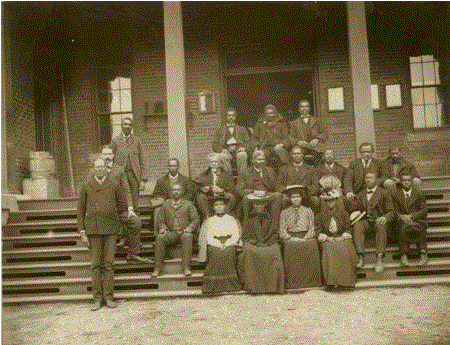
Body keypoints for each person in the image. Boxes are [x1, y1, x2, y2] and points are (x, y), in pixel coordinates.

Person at [77, 158, 128, 311]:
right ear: (93, 169)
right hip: (93, 230)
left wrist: (117, 224)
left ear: (107, 168)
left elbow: (123, 206)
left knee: (109, 264)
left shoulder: (114, 185)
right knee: (95, 265)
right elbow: (80, 211)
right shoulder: (86, 186)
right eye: (97, 167)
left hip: (110, 230)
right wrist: (82, 232)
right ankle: (97, 299)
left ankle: (109, 297)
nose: (99, 169)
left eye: (102, 167)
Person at [94, 145, 147, 263]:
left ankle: (133, 253)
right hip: (103, 211)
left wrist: (130, 208)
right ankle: (103, 257)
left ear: (113, 155)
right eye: (104, 154)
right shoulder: (95, 170)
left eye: (109, 154)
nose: (107, 157)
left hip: (119, 210)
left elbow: (127, 190)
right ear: (101, 155)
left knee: (136, 222)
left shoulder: (119, 169)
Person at [238, 190, 285, 294]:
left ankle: (273, 287)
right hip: (254, 243)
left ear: (265, 204)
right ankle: (253, 286)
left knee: (275, 250)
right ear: (253, 205)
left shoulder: (272, 217)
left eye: (261, 203)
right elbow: (245, 234)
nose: (259, 206)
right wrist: (256, 243)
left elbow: (275, 233)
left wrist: (268, 243)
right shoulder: (248, 218)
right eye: (256, 204)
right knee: (248, 250)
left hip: (268, 243)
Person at [350, 172, 395, 272]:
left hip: (378, 221)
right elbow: (356, 209)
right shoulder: (361, 194)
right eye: (367, 178)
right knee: (357, 226)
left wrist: (385, 217)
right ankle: (360, 257)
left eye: (371, 177)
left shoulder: (384, 192)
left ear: (376, 180)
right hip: (365, 221)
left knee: (381, 225)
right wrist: (355, 212)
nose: (368, 180)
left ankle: (379, 258)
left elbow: (391, 212)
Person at [279, 185, 322, 289]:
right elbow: (282, 230)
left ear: (301, 198)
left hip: (305, 236)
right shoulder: (284, 212)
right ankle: (293, 283)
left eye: (298, 197)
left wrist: (306, 237)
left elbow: (312, 227)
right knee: (289, 246)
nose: (296, 199)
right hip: (290, 237)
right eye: (293, 197)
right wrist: (290, 238)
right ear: (290, 199)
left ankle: (312, 282)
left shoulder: (308, 211)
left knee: (312, 244)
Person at [152, 184, 200, 277]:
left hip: (184, 232)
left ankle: (186, 267)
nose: (176, 192)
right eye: (174, 190)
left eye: (178, 190)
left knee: (187, 236)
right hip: (172, 233)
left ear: (182, 192)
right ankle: (157, 269)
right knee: (160, 237)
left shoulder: (188, 204)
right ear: (171, 192)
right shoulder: (165, 205)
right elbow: (160, 220)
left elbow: (195, 219)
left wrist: (189, 228)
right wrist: (162, 227)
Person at [316, 187, 358, 289]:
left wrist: (342, 237)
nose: (330, 204)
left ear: (336, 201)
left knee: (346, 246)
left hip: (341, 238)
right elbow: (317, 230)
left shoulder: (343, 213)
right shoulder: (320, 215)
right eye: (328, 201)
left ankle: (346, 281)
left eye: (332, 201)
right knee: (328, 248)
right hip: (327, 239)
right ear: (325, 202)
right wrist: (326, 237)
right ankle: (331, 281)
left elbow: (348, 228)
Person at [199, 196, 242, 294]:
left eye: (221, 205)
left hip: (229, 243)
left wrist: (227, 244)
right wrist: (218, 245)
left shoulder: (231, 219)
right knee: (216, 254)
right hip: (214, 244)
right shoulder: (209, 221)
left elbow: (236, 234)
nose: (218, 207)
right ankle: (213, 286)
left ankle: (230, 285)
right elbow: (208, 236)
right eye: (216, 205)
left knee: (229, 253)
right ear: (213, 207)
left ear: (225, 206)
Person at [391, 173, 428, 267]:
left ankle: (423, 253)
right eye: (404, 180)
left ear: (412, 182)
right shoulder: (396, 194)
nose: (406, 182)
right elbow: (394, 210)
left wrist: (411, 216)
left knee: (420, 226)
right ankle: (404, 255)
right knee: (403, 227)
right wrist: (402, 217)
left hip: (416, 219)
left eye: (408, 180)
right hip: (402, 220)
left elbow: (424, 209)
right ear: (401, 182)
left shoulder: (418, 193)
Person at [111, 117, 147, 210]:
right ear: (121, 126)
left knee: (134, 198)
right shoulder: (115, 141)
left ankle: (135, 220)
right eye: (125, 124)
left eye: (130, 125)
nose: (127, 126)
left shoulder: (137, 140)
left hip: (133, 174)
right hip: (120, 174)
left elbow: (142, 159)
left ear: (132, 127)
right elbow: (111, 159)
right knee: (121, 197)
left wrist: (143, 179)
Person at [152, 158, 196, 231]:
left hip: (182, 203)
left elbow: (190, 193)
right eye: (170, 166)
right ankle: (158, 235)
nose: (172, 168)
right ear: (168, 167)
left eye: (174, 166)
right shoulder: (161, 181)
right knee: (157, 210)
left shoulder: (186, 179)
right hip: (167, 204)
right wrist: (165, 200)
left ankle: (189, 232)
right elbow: (156, 194)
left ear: (178, 167)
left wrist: (180, 201)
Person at [193, 153, 237, 219]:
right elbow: (198, 188)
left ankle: (226, 216)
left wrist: (222, 191)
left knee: (231, 196)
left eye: (216, 161)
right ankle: (208, 218)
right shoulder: (204, 175)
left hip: (222, 196)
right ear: (209, 163)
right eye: (212, 162)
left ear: (220, 162)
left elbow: (232, 188)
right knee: (200, 197)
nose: (214, 163)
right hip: (210, 197)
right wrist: (204, 189)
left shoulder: (227, 174)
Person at [212, 107, 251, 176]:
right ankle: (228, 180)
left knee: (243, 155)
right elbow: (215, 144)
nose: (231, 117)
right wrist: (222, 149)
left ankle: (242, 179)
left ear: (235, 117)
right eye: (229, 116)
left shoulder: (242, 129)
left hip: (238, 151)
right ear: (226, 117)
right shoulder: (220, 130)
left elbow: (248, 142)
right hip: (226, 152)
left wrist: (243, 148)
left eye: (232, 115)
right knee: (223, 156)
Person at [289, 100, 329, 166]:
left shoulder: (317, 120)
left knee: (324, 154)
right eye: (302, 107)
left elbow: (325, 133)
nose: (304, 108)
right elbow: (291, 137)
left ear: (309, 109)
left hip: (315, 146)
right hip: (301, 147)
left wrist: (317, 139)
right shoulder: (294, 123)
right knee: (294, 154)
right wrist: (298, 142)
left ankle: (319, 171)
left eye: (306, 106)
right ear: (299, 109)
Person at [251, 104, 290, 170]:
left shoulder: (281, 123)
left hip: (278, 147)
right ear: (265, 115)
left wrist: (281, 144)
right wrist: (256, 147)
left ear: (275, 113)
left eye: (271, 113)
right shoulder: (260, 124)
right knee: (260, 155)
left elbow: (286, 138)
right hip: (265, 148)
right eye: (268, 113)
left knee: (280, 151)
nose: (270, 115)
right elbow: (254, 138)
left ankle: (287, 171)